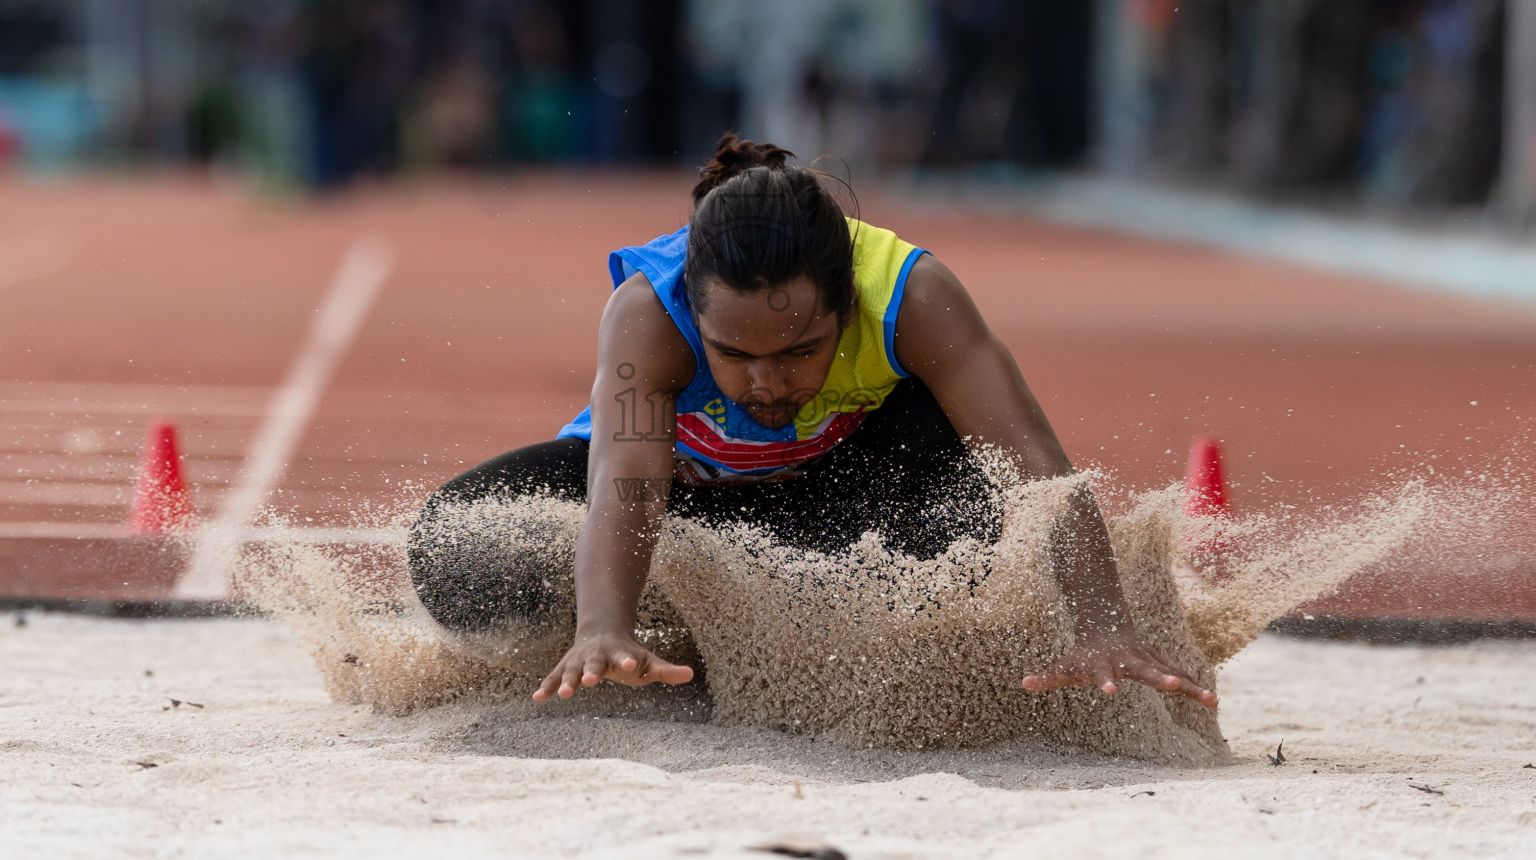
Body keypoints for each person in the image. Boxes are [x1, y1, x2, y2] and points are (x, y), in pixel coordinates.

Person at [407, 133, 1217, 710]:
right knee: (456, 548)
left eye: (799, 351)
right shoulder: (646, 312)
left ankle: (803, 630)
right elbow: (625, 485)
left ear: (845, 303)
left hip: (835, 513)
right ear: (694, 309)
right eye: (733, 355)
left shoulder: (915, 295)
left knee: (957, 456)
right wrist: (601, 626)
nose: (767, 385)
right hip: (683, 520)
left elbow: (1037, 465)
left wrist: (1104, 625)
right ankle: (653, 643)